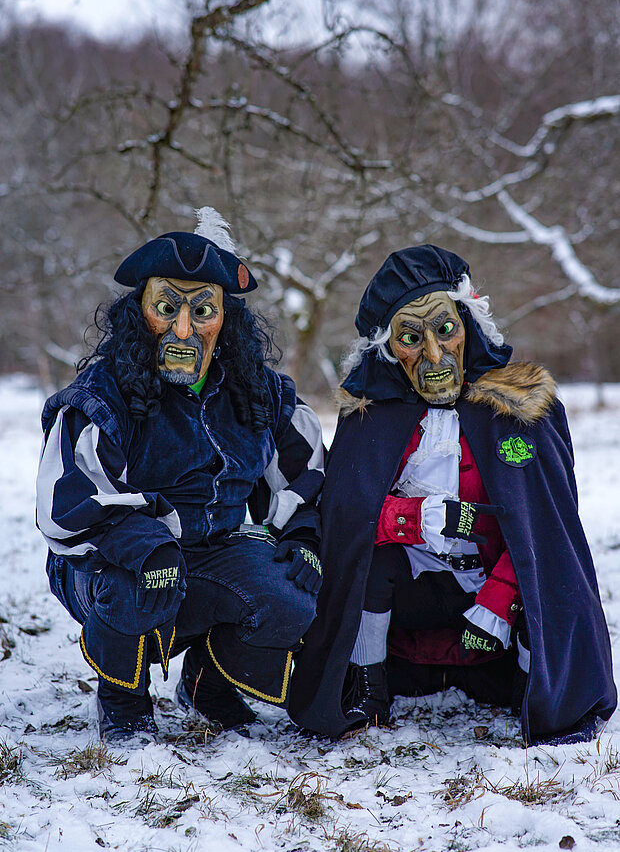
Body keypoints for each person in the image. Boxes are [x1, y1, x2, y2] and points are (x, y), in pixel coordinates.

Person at [288, 245, 616, 746]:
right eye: (411, 338)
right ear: (388, 349)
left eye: (445, 329)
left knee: (545, 582)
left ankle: (532, 689)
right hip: (412, 595)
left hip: (497, 589)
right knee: (370, 568)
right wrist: (414, 517)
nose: (435, 355)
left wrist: (498, 602)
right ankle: (367, 685)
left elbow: (545, 533)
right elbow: (347, 520)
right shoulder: (370, 418)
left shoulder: (521, 408)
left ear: (468, 324)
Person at [36, 208, 324, 743]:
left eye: (203, 311)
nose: (183, 329)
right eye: (166, 309)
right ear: (139, 313)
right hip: (109, 562)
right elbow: (68, 504)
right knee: (135, 584)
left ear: (226, 320)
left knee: (291, 595)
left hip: (214, 551)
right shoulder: (101, 396)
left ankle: (207, 685)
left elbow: (303, 479)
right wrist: (148, 545)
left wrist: (304, 537)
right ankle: (123, 700)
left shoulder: (261, 393)